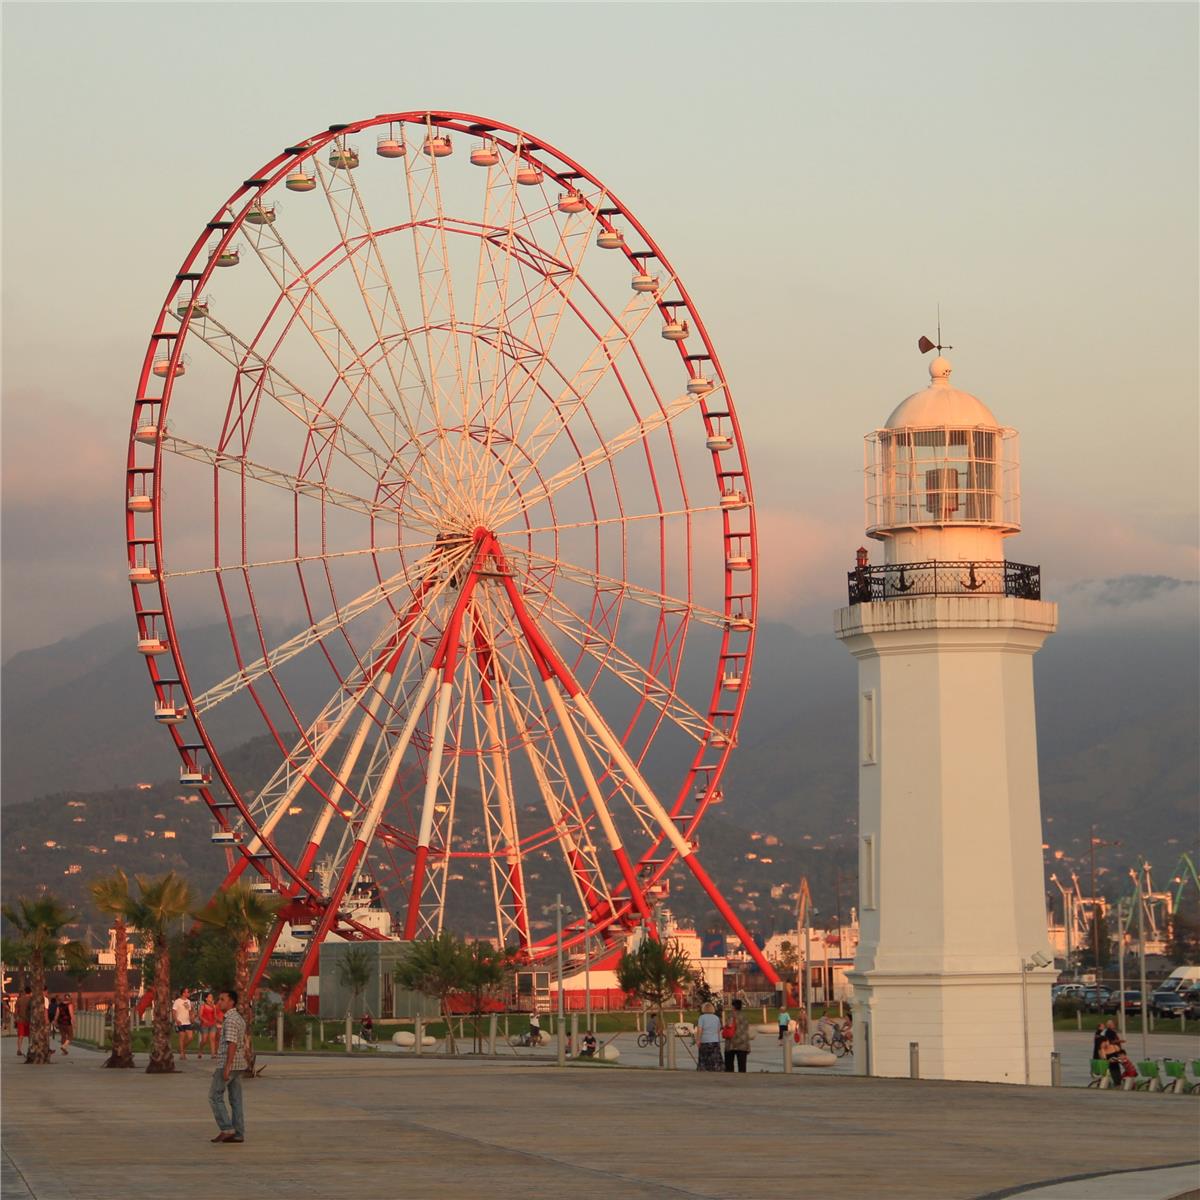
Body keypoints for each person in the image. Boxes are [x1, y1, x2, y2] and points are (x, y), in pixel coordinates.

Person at [209, 990, 247, 1143]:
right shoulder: (238, 1018)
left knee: (214, 1096)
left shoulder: (230, 1020)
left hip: (229, 1063)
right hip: (239, 1064)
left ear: (231, 1002)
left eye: (222, 999)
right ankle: (238, 1132)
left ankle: (227, 1128)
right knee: (236, 1099)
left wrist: (227, 1066)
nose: (219, 1002)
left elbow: (232, 1043)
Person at [695, 1001, 724, 1071]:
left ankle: (703, 1068)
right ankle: (716, 1068)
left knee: (704, 1057)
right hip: (714, 1041)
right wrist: (718, 1040)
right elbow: (718, 1030)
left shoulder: (702, 1017)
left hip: (705, 1041)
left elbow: (700, 1030)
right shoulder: (716, 1018)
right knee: (714, 1058)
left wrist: (698, 1040)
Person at [724, 997, 750, 1073]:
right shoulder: (745, 1016)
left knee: (729, 1066)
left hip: (731, 1043)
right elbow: (746, 1031)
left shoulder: (731, 1015)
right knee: (742, 1066)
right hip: (743, 1043)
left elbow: (729, 1025)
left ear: (733, 1006)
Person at [172, 987, 194, 1060]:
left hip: (187, 1022)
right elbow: (174, 1012)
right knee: (182, 1038)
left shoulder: (188, 1001)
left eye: (188, 992)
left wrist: (192, 1017)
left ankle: (181, 1049)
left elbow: (190, 1011)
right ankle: (182, 1054)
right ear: (183, 993)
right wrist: (176, 1020)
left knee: (190, 1037)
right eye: (187, 992)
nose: (188, 993)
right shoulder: (177, 1001)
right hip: (180, 1022)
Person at [199, 992, 219, 1059]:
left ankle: (213, 1054)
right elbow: (200, 1015)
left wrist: (218, 1021)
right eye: (210, 997)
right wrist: (204, 1020)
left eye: (212, 997)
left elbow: (215, 1015)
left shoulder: (214, 1006)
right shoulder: (203, 1006)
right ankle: (200, 1050)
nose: (211, 998)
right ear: (206, 998)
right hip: (205, 1024)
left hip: (212, 1024)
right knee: (204, 1039)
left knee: (212, 1038)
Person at [15, 986, 32, 1057]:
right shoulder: (32, 999)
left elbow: (16, 1011)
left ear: (25, 992)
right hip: (29, 1020)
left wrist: (16, 1018)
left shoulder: (19, 1000)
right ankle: (30, 1049)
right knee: (30, 1036)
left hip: (20, 1020)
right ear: (31, 992)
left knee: (20, 1035)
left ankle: (19, 1049)